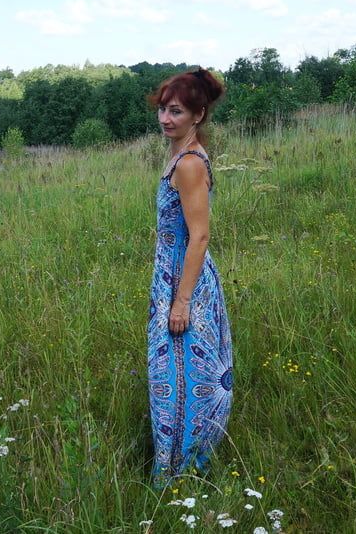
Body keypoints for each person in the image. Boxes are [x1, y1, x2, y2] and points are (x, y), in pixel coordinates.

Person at [146, 67, 232, 487]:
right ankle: (181, 471)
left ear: (197, 115)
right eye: (163, 109)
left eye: (176, 111)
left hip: (186, 286)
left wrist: (181, 301)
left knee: (183, 380)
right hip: (176, 280)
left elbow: (199, 235)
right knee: (175, 379)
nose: (165, 118)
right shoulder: (181, 156)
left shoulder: (190, 164)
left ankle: (182, 476)